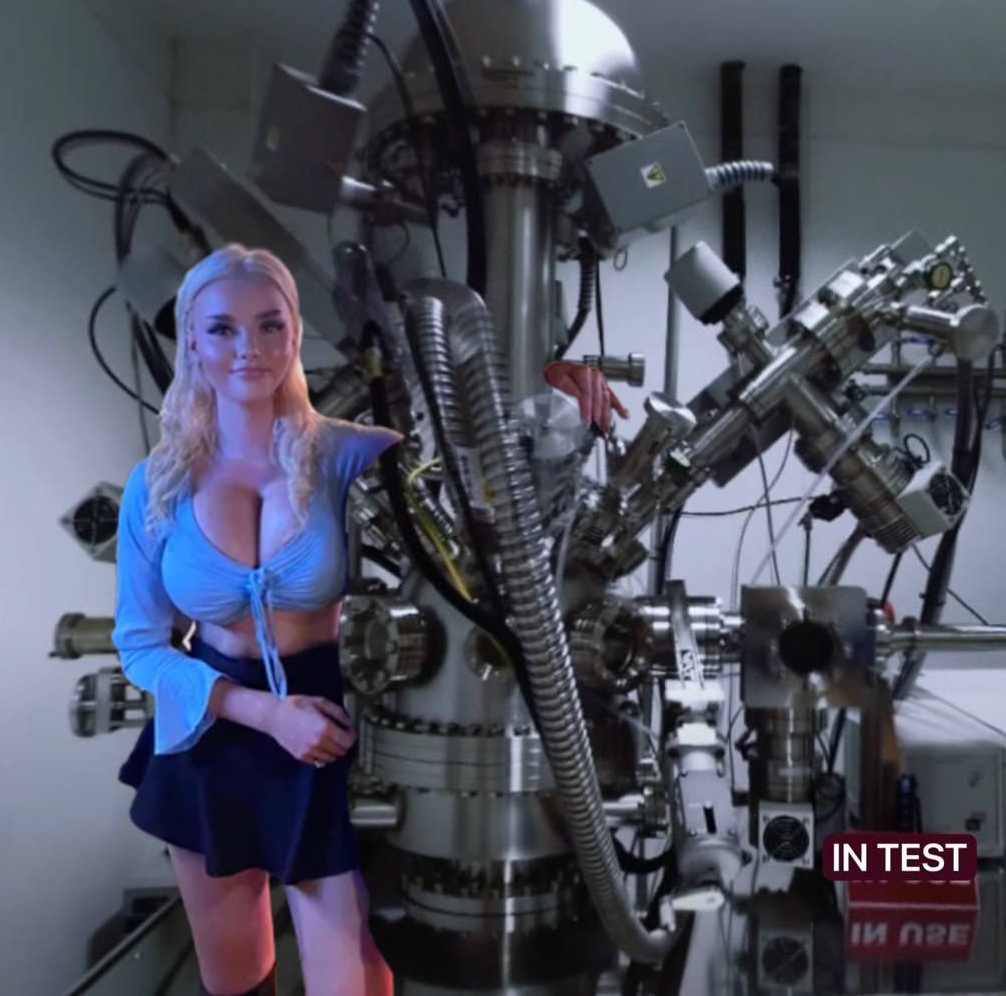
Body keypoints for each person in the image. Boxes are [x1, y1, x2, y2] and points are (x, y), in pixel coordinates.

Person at [112, 243, 624, 996]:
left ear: (294, 333)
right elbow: (140, 647)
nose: (247, 348)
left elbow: (479, 458)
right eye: (222, 328)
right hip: (208, 731)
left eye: (268, 325)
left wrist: (554, 399)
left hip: (330, 735)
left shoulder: (344, 453)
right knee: (234, 983)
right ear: (191, 338)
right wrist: (264, 713)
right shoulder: (155, 486)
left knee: (349, 984)